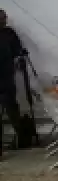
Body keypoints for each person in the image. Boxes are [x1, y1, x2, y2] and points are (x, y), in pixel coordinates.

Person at [0, 9, 25, 145]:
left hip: (7, 78)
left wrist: (19, 58)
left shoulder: (9, 33)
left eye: (4, 18)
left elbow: (18, 50)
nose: (4, 20)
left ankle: (21, 138)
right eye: (1, 18)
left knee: (12, 109)